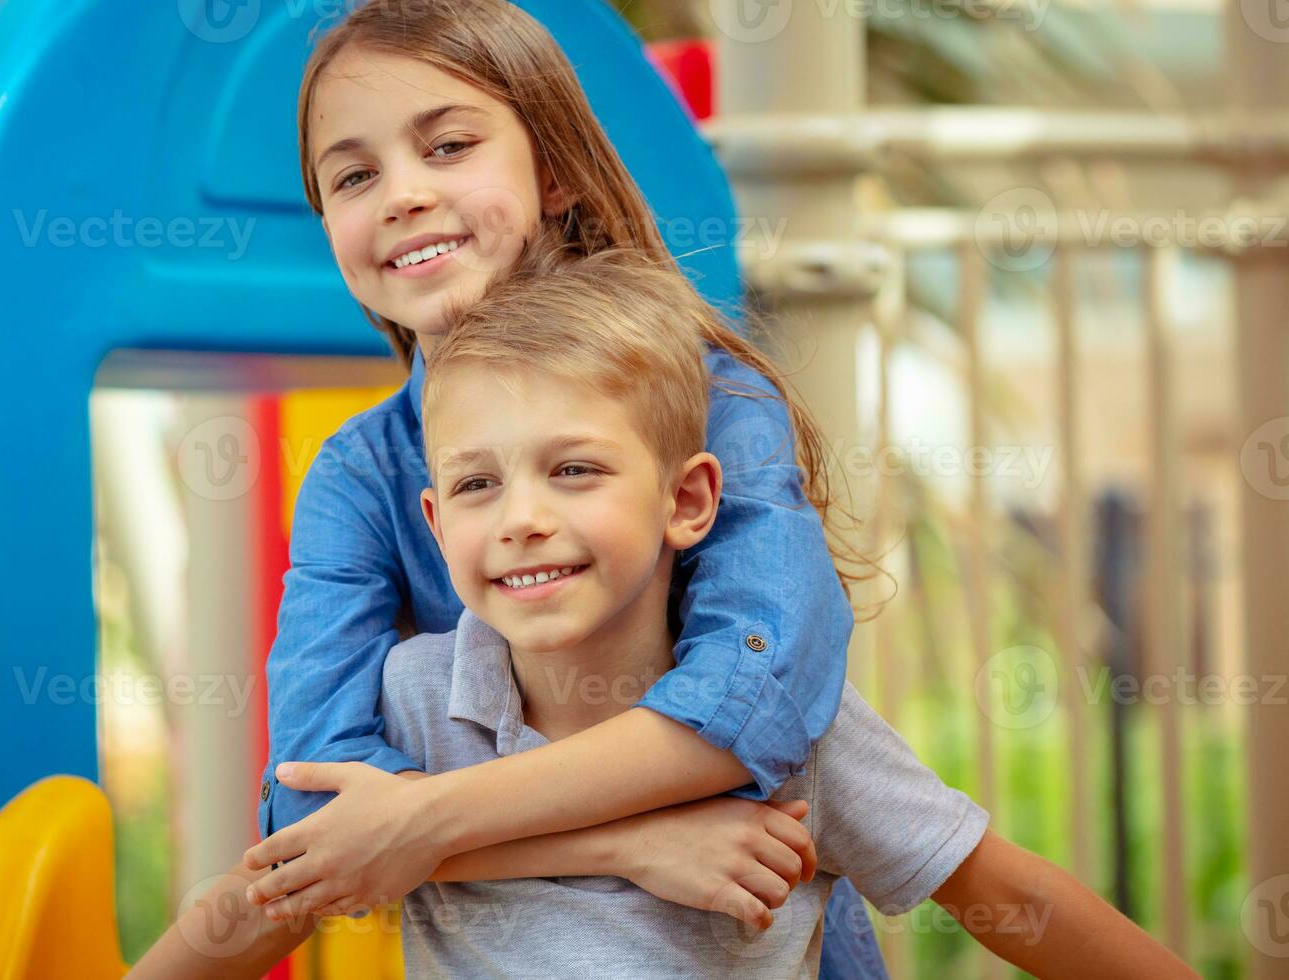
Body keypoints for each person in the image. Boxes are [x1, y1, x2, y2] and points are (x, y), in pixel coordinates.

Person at [244, 0, 885, 972]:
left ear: (552, 172)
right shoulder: (358, 476)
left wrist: (425, 816)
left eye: (448, 145)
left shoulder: (717, 401)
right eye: (354, 174)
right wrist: (621, 841)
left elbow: (757, 688)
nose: (402, 195)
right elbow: (313, 805)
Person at [361, 238, 1195, 978]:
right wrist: (624, 846)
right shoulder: (413, 701)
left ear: (686, 500)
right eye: (478, 484)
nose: (523, 520)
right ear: (437, 522)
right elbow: (298, 872)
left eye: (574, 470)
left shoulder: (796, 729)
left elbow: (1008, 895)